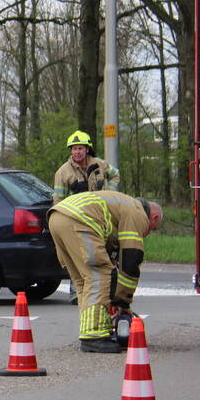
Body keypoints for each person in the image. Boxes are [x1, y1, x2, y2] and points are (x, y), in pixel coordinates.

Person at [47, 191, 162, 353]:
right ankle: (94, 336)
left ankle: (91, 329)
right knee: (100, 275)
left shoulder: (121, 205)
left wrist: (114, 297)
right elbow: (131, 258)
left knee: (83, 280)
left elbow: (113, 256)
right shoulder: (138, 213)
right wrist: (123, 301)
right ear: (154, 218)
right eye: (153, 229)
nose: (147, 232)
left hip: (57, 216)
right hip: (80, 219)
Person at [52, 130, 120, 304]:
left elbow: (115, 174)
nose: (77, 152)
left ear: (87, 149)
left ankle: (107, 289)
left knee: (104, 251)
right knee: (79, 255)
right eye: (74, 149)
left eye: (80, 148)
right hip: (76, 220)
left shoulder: (99, 165)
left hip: (100, 217)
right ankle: (77, 293)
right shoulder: (63, 173)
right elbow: (58, 200)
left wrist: (109, 193)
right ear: (70, 151)